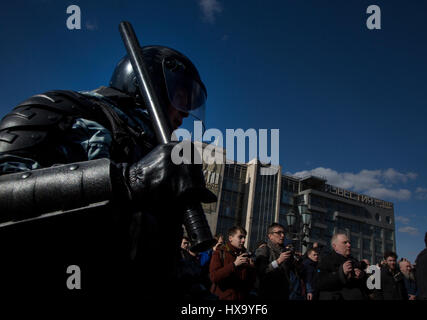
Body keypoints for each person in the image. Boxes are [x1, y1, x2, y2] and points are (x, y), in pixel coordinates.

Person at [0, 45, 216, 297]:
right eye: (180, 97)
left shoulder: (161, 153)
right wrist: (128, 180)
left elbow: (158, 250)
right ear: (150, 84)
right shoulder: (64, 108)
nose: (185, 113)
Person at [255, 223, 303, 300]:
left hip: (284, 294)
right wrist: (278, 261)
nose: (282, 235)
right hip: (268, 294)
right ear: (270, 236)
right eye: (278, 233)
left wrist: (297, 263)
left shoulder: (285, 251)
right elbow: (261, 272)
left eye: (283, 233)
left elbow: (295, 273)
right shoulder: (264, 250)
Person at [209, 226, 256, 300]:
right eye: (240, 237)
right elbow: (213, 277)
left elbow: (250, 283)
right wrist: (234, 265)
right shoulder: (220, 252)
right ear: (230, 238)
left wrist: (252, 268)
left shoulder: (246, 255)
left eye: (244, 237)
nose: (243, 240)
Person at [316, 233, 367, 300]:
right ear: (335, 246)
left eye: (349, 242)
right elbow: (320, 283)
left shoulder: (354, 261)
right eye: (345, 243)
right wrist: (341, 273)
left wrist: (362, 275)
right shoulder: (326, 260)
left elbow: (365, 285)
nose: (349, 245)